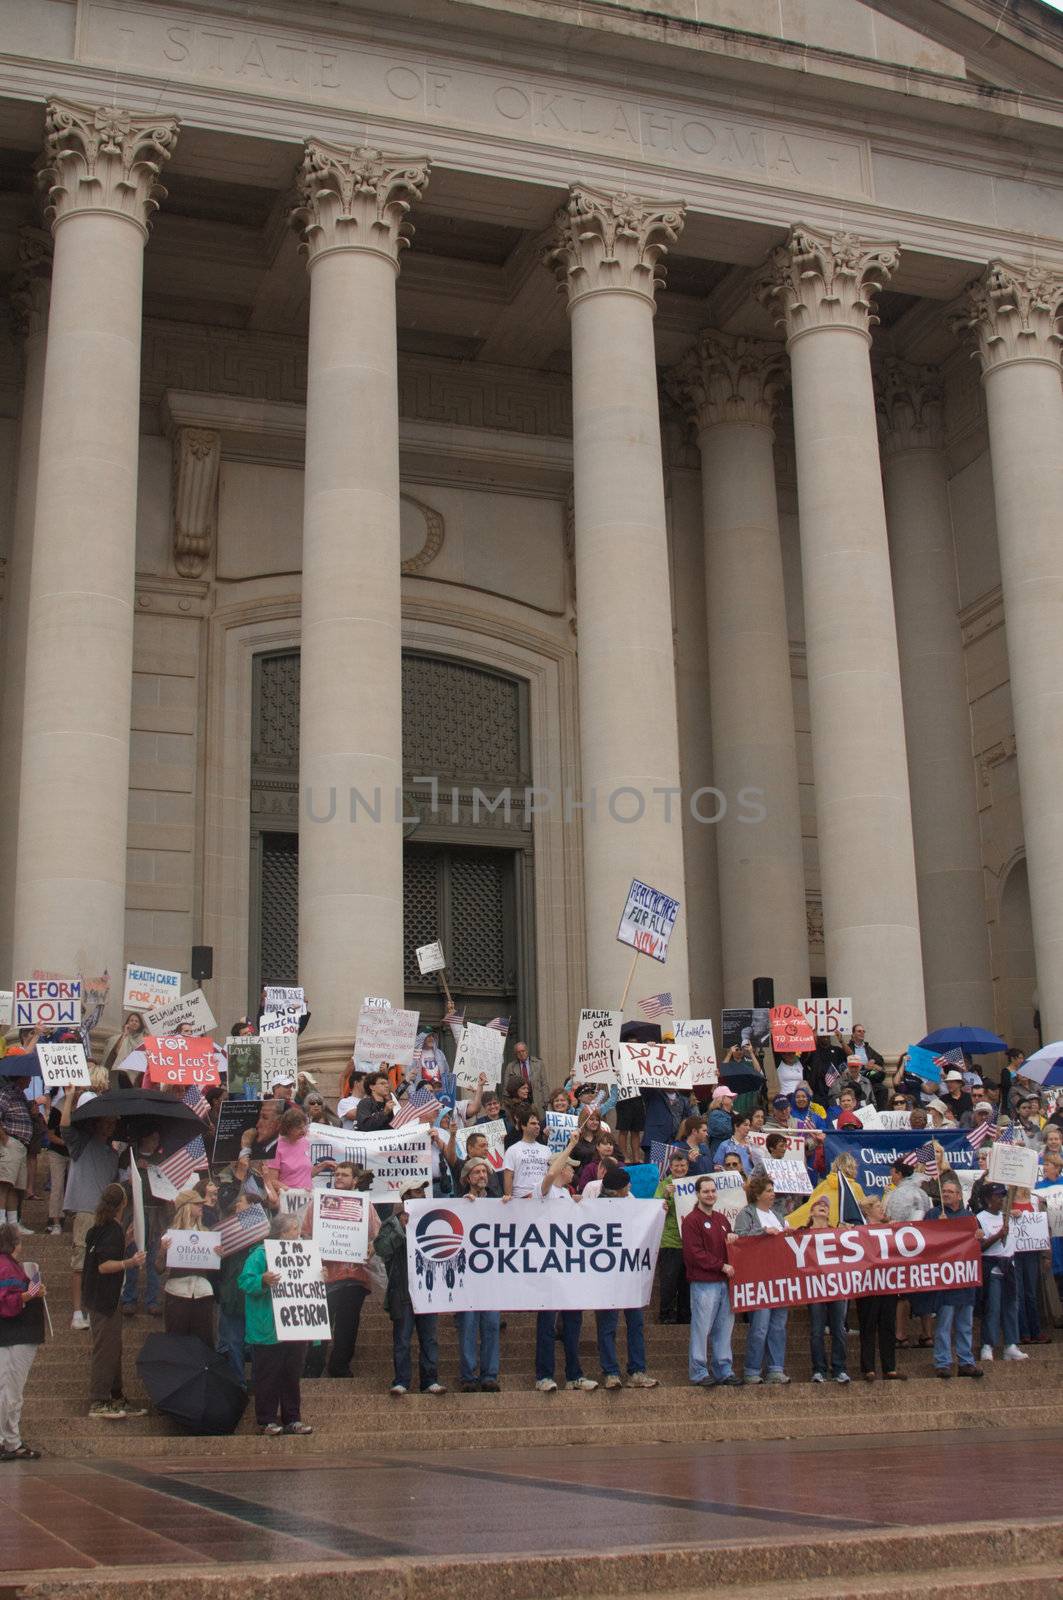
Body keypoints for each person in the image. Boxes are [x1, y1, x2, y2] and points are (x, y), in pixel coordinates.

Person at [529, 1142, 597, 1393]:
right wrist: (569, 1146)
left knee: (572, 1323)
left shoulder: (567, 1194)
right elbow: (549, 1175)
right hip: (548, 1266)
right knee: (547, 1324)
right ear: (560, 1168)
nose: (573, 1172)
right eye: (570, 1168)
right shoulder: (542, 1190)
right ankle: (544, 1375)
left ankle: (574, 1375)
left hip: (569, 1267)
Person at [239, 1213, 313, 1435]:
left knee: (292, 1375)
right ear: (280, 1233)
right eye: (292, 1229)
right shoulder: (260, 1254)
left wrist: (320, 1274)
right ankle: (266, 1420)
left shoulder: (305, 1252)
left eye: (297, 1229)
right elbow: (244, 1281)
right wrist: (262, 1279)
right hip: (268, 1327)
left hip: (295, 1325)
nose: (297, 1233)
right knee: (268, 1375)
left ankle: (293, 1418)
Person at [81, 1183, 148, 1420]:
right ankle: (99, 1400)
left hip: (100, 1298)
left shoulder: (102, 1227)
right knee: (105, 1350)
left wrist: (126, 1242)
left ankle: (116, 1395)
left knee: (114, 1349)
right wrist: (131, 1261)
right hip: (104, 1300)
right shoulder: (111, 1230)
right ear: (124, 1204)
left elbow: (106, 1253)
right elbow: (104, 1265)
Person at [374, 1179, 446, 1397]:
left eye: (423, 1191)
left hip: (427, 1289)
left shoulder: (433, 1220)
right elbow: (381, 1249)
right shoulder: (391, 1224)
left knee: (430, 1338)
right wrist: (400, 1231)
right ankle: (402, 1380)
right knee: (402, 1339)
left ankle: (430, 1380)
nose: (422, 1194)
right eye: (416, 1191)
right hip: (403, 1290)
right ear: (405, 1197)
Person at [592, 1166, 658, 1390]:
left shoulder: (631, 1204)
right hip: (607, 1276)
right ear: (618, 1188)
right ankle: (610, 1371)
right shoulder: (595, 1208)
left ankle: (637, 1370)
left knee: (636, 1323)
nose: (630, 1186)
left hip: (630, 1272)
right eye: (626, 1184)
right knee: (608, 1325)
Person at [60, 1087, 121, 1330]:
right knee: (80, 1261)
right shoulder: (81, 1143)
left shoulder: (113, 1154)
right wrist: (68, 1096)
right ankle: (77, 1312)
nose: (109, 1127)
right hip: (85, 1209)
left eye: (112, 1123)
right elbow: (65, 1126)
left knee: (97, 1262)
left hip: (104, 1214)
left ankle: (91, 1308)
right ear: (96, 1124)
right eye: (105, 1123)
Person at [681, 1175, 738, 1388]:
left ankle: (724, 1369)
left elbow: (731, 1246)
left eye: (713, 1191)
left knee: (724, 1328)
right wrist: (721, 1265)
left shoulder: (722, 1220)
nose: (710, 1194)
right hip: (704, 1282)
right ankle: (699, 1371)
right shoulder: (691, 1221)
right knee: (701, 1328)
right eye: (705, 1191)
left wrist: (733, 1239)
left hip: (724, 1282)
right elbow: (694, 1253)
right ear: (697, 1194)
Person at [733, 1173, 790, 1384]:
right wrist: (763, 1231)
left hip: (780, 1277)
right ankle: (752, 1369)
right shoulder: (747, 1213)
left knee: (778, 1326)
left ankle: (776, 1368)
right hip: (758, 1278)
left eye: (773, 1190)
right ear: (757, 1194)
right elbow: (740, 1238)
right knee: (760, 1326)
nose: (773, 1194)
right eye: (769, 1191)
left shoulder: (778, 1214)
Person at [926, 1176, 983, 1380]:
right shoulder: (933, 1214)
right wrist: (936, 1226)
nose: (946, 1195)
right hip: (945, 1280)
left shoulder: (969, 1217)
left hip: (965, 1279)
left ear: (959, 1195)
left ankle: (966, 1361)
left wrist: (978, 1235)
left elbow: (978, 1244)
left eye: (950, 1192)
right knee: (944, 1324)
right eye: (944, 1191)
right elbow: (925, 1241)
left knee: (965, 1324)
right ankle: (943, 1362)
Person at [0, 1220, 46, 1459]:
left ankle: (9, 1440)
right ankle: (8, 1440)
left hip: (14, 1335)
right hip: (16, 1333)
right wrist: (30, 1294)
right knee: (11, 1390)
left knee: (8, 1389)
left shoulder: (11, 1265)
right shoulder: (7, 1267)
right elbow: (7, 1302)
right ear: (14, 1242)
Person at [455, 1158, 501, 1391]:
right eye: (477, 1172)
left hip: (491, 1277)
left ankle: (489, 1375)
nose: (482, 1175)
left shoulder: (498, 1204)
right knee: (468, 1326)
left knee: (492, 1325)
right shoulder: (458, 1204)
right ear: (467, 1178)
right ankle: (468, 1376)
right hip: (467, 1279)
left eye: (485, 1171)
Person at [158, 1188, 219, 1342]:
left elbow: (214, 1270)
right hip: (177, 1291)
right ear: (186, 1206)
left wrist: (218, 1255)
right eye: (197, 1203)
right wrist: (162, 1251)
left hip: (203, 1292)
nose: (201, 1206)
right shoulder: (170, 1234)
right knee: (176, 1341)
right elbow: (158, 1268)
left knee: (203, 1342)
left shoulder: (207, 1232)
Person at [856, 1197, 906, 1381]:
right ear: (868, 1211)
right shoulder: (859, 1231)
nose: (882, 1210)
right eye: (878, 1207)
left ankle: (889, 1367)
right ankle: (868, 1368)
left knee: (888, 1325)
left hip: (888, 1283)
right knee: (868, 1326)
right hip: (867, 1284)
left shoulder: (891, 1229)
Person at [977, 1184, 1027, 1363]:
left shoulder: (1007, 1216)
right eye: (998, 1196)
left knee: (1011, 1305)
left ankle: (1011, 1344)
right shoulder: (980, 1218)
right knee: (993, 1307)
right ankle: (987, 1344)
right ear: (988, 1199)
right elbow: (980, 1246)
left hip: (1009, 1265)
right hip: (992, 1265)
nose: (1002, 1199)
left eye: (1003, 1196)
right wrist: (998, 1235)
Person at [802, 1195, 849, 1384]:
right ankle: (819, 1369)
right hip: (814, 1288)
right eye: (818, 1205)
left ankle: (839, 1369)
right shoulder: (801, 1234)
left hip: (837, 1286)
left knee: (839, 1328)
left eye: (826, 1206)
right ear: (811, 1211)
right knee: (816, 1329)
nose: (823, 1206)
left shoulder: (839, 1233)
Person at [655, 1149, 691, 1324]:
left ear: (687, 1166)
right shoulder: (664, 1184)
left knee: (686, 1282)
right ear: (670, 1167)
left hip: (690, 1241)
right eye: (676, 1166)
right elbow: (656, 1208)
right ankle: (666, 1314)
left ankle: (685, 1315)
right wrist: (667, 1195)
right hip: (670, 1240)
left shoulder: (693, 1184)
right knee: (669, 1280)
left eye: (682, 1165)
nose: (679, 1169)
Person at [0, 1069, 33, 1236]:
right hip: (11, 1142)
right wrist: (4, 1137)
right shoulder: (8, 1092)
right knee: (4, 1184)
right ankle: (1, 1222)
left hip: (21, 1145)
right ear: (22, 1076)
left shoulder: (21, 1095)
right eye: (28, 1075)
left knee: (15, 1187)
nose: (30, 1079)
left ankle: (13, 1224)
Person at [502, 1108, 550, 1199]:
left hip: (543, 1199)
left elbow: (550, 1175)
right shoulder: (512, 1150)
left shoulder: (546, 1149)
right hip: (520, 1199)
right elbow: (508, 1177)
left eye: (538, 1123)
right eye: (533, 1123)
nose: (537, 1126)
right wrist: (508, 1200)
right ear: (523, 1126)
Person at [268, 1105, 313, 1192]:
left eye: (304, 1127)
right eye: (299, 1128)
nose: (303, 1131)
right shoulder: (276, 1147)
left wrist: (323, 1165)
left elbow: (304, 1173)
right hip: (288, 1198)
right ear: (288, 1128)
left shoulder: (305, 1142)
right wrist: (292, 1192)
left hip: (307, 1196)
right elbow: (271, 1180)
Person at [509, 1041, 549, 1109]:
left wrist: (546, 1102)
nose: (521, 1054)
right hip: (519, 1102)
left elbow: (544, 1084)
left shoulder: (539, 1064)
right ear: (516, 1054)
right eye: (518, 1052)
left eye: (523, 1051)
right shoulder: (510, 1067)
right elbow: (507, 1088)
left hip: (537, 1101)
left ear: (527, 1051)